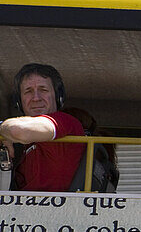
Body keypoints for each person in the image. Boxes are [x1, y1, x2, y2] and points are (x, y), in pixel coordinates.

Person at [0, 63, 85, 191]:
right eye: (28, 91)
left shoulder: (65, 121)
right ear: (19, 101)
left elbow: (17, 131)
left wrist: (3, 127)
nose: (36, 98)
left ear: (58, 96)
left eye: (43, 90)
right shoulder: (20, 142)